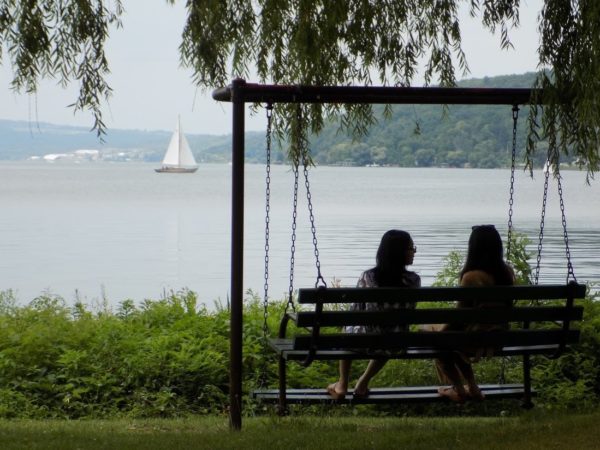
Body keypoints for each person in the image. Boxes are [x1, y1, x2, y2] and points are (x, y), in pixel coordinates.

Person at [327, 229, 420, 400]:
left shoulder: (368, 277)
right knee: (390, 337)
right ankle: (363, 382)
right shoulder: (414, 281)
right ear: (400, 253)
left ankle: (342, 385)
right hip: (398, 343)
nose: (414, 252)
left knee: (347, 332)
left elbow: (355, 312)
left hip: (368, 340)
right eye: (411, 248)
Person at [436, 224, 515, 403]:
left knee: (439, 341)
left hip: (476, 339)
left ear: (473, 248)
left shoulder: (471, 277)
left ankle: (459, 389)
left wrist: (441, 332)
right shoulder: (507, 273)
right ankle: (472, 387)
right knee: (452, 338)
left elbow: (460, 317)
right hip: (499, 338)